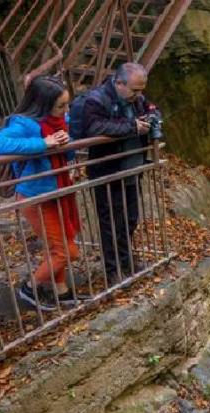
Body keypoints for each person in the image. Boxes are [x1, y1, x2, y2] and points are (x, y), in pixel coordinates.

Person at [0, 75, 81, 311]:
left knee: (60, 247)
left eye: (67, 104)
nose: (66, 110)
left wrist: (66, 142)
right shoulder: (24, 123)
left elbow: (69, 150)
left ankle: (62, 292)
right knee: (66, 252)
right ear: (43, 103)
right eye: (61, 105)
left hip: (57, 190)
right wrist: (44, 143)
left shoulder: (60, 120)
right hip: (36, 197)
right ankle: (30, 288)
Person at [81, 62, 155, 284]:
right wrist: (132, 127)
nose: (139, 95)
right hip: (107, 171)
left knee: (129, 219)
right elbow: (95, 128)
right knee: (110, 222)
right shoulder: (96, 100)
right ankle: (112, 268)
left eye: (141, 90)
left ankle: (126, 259)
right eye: (134, 90)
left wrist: (151, 118)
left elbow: (152, 109)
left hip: (131, 168)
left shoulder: (137, 99)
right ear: (119, 83)